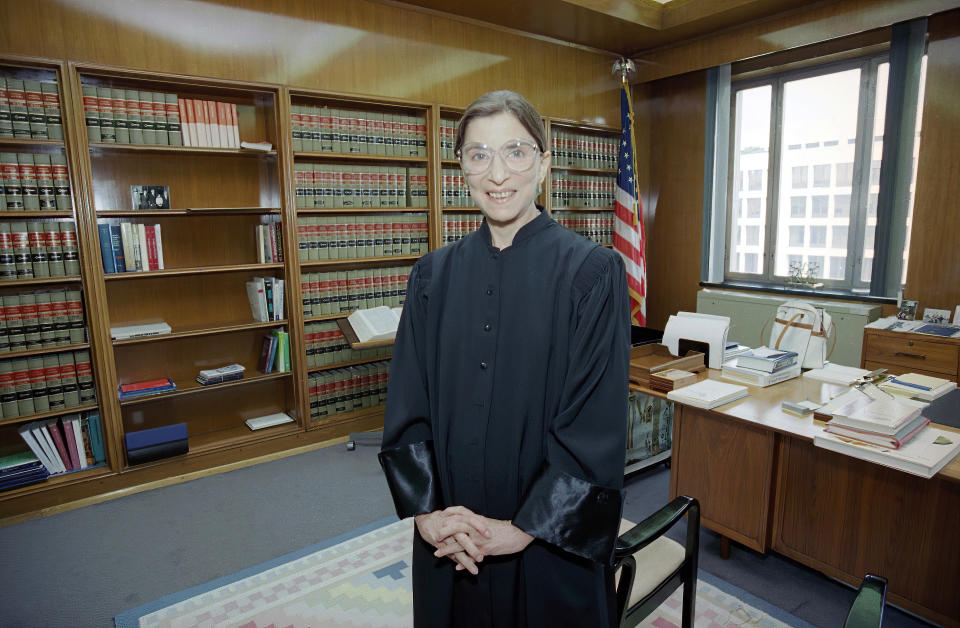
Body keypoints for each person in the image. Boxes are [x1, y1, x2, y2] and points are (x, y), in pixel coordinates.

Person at [379, 90, 629, 627]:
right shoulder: (431, 277)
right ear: (461, 169)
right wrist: (429, 518)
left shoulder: (591, 274)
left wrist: (518, 531)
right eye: (478, 155)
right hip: (453, 539)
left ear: (542, 162)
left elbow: (593, 428)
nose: (498, 173)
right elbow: (407, 405)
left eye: (515, 152)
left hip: (548, 542)